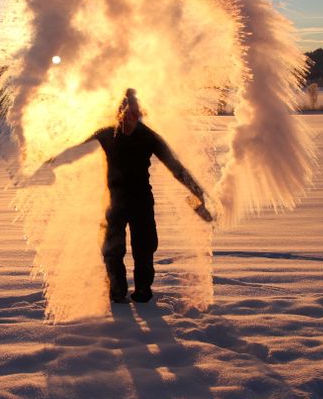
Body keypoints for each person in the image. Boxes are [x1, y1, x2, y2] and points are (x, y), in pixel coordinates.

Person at [42, 89, 211, 304]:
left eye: (132, 114)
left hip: (141, 202)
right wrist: (50, 159)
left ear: (138, 114)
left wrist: (198, 192)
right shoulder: (106, 133)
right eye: (123, 114)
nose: (127, 119)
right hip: (114, 203)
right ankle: (117, 290)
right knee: (112, 248)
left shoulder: (149, 137)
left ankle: (142, 291)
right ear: (118, 114)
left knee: (144, 248)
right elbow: (74, 148)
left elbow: (176, 167)